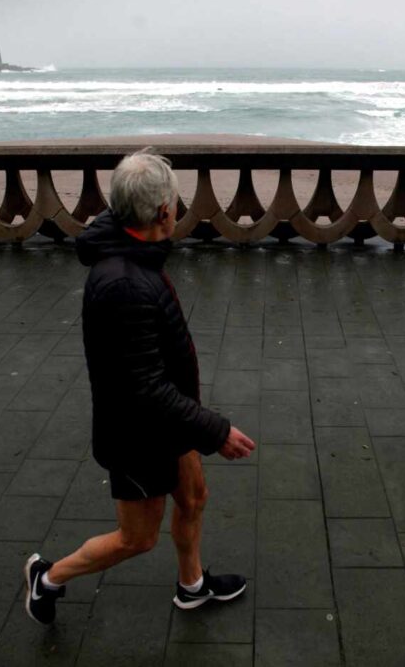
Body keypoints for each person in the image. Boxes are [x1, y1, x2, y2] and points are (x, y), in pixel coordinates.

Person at [24, 150, 256, 625]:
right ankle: (47, 578)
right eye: (174, 200)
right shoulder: (124, 283)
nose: (177, 207)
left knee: (193, 498)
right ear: (162, 212)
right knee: (137, 539)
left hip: (169, 422)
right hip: (138, 436)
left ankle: (192, 587)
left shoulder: (133, 252)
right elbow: (143, 389)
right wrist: (214, 431)